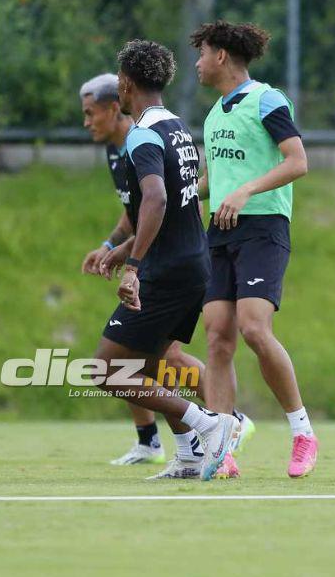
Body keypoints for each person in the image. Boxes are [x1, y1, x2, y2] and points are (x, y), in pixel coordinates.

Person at [90, 39, 238, 481]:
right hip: (194, 262)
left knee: (107, 370)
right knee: (152, 365)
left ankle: (209, 423)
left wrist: (133, 268)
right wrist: (125, 248)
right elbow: (180, 204)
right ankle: (189, 457)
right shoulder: (177, 126)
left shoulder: (141, 133)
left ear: (125, 84)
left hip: (167, 270)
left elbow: (154, 197)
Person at [192, 20, 318, 478]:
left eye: (202, 53)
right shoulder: (212, 115)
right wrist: (177, 196)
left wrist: (245, 191)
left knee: (253, 329)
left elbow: (297, 161)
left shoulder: (267, 99)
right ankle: (222, 448)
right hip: (220, 232)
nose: (198, 64)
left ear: (221, 56)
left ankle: (303, 432)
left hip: (264, 227)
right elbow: (212, 183)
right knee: (217, 336)